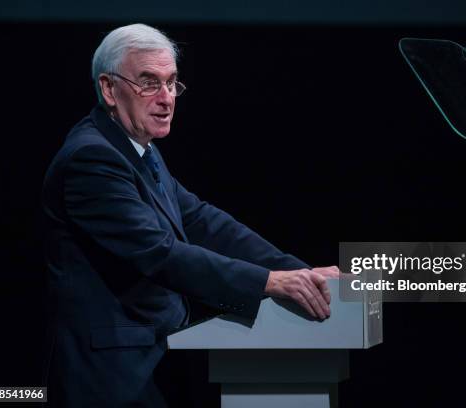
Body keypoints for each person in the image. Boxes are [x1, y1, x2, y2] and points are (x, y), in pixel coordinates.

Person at [41, 23, 339, 406]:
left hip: (149, 363)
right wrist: (269, 282)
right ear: (109, 89)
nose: (166, 98)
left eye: (171, 83)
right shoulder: (92, 158)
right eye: (149, 83)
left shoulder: (137, 149)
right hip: (108, 377)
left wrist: (301, 272)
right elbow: (159, 253)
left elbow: (202, 221)